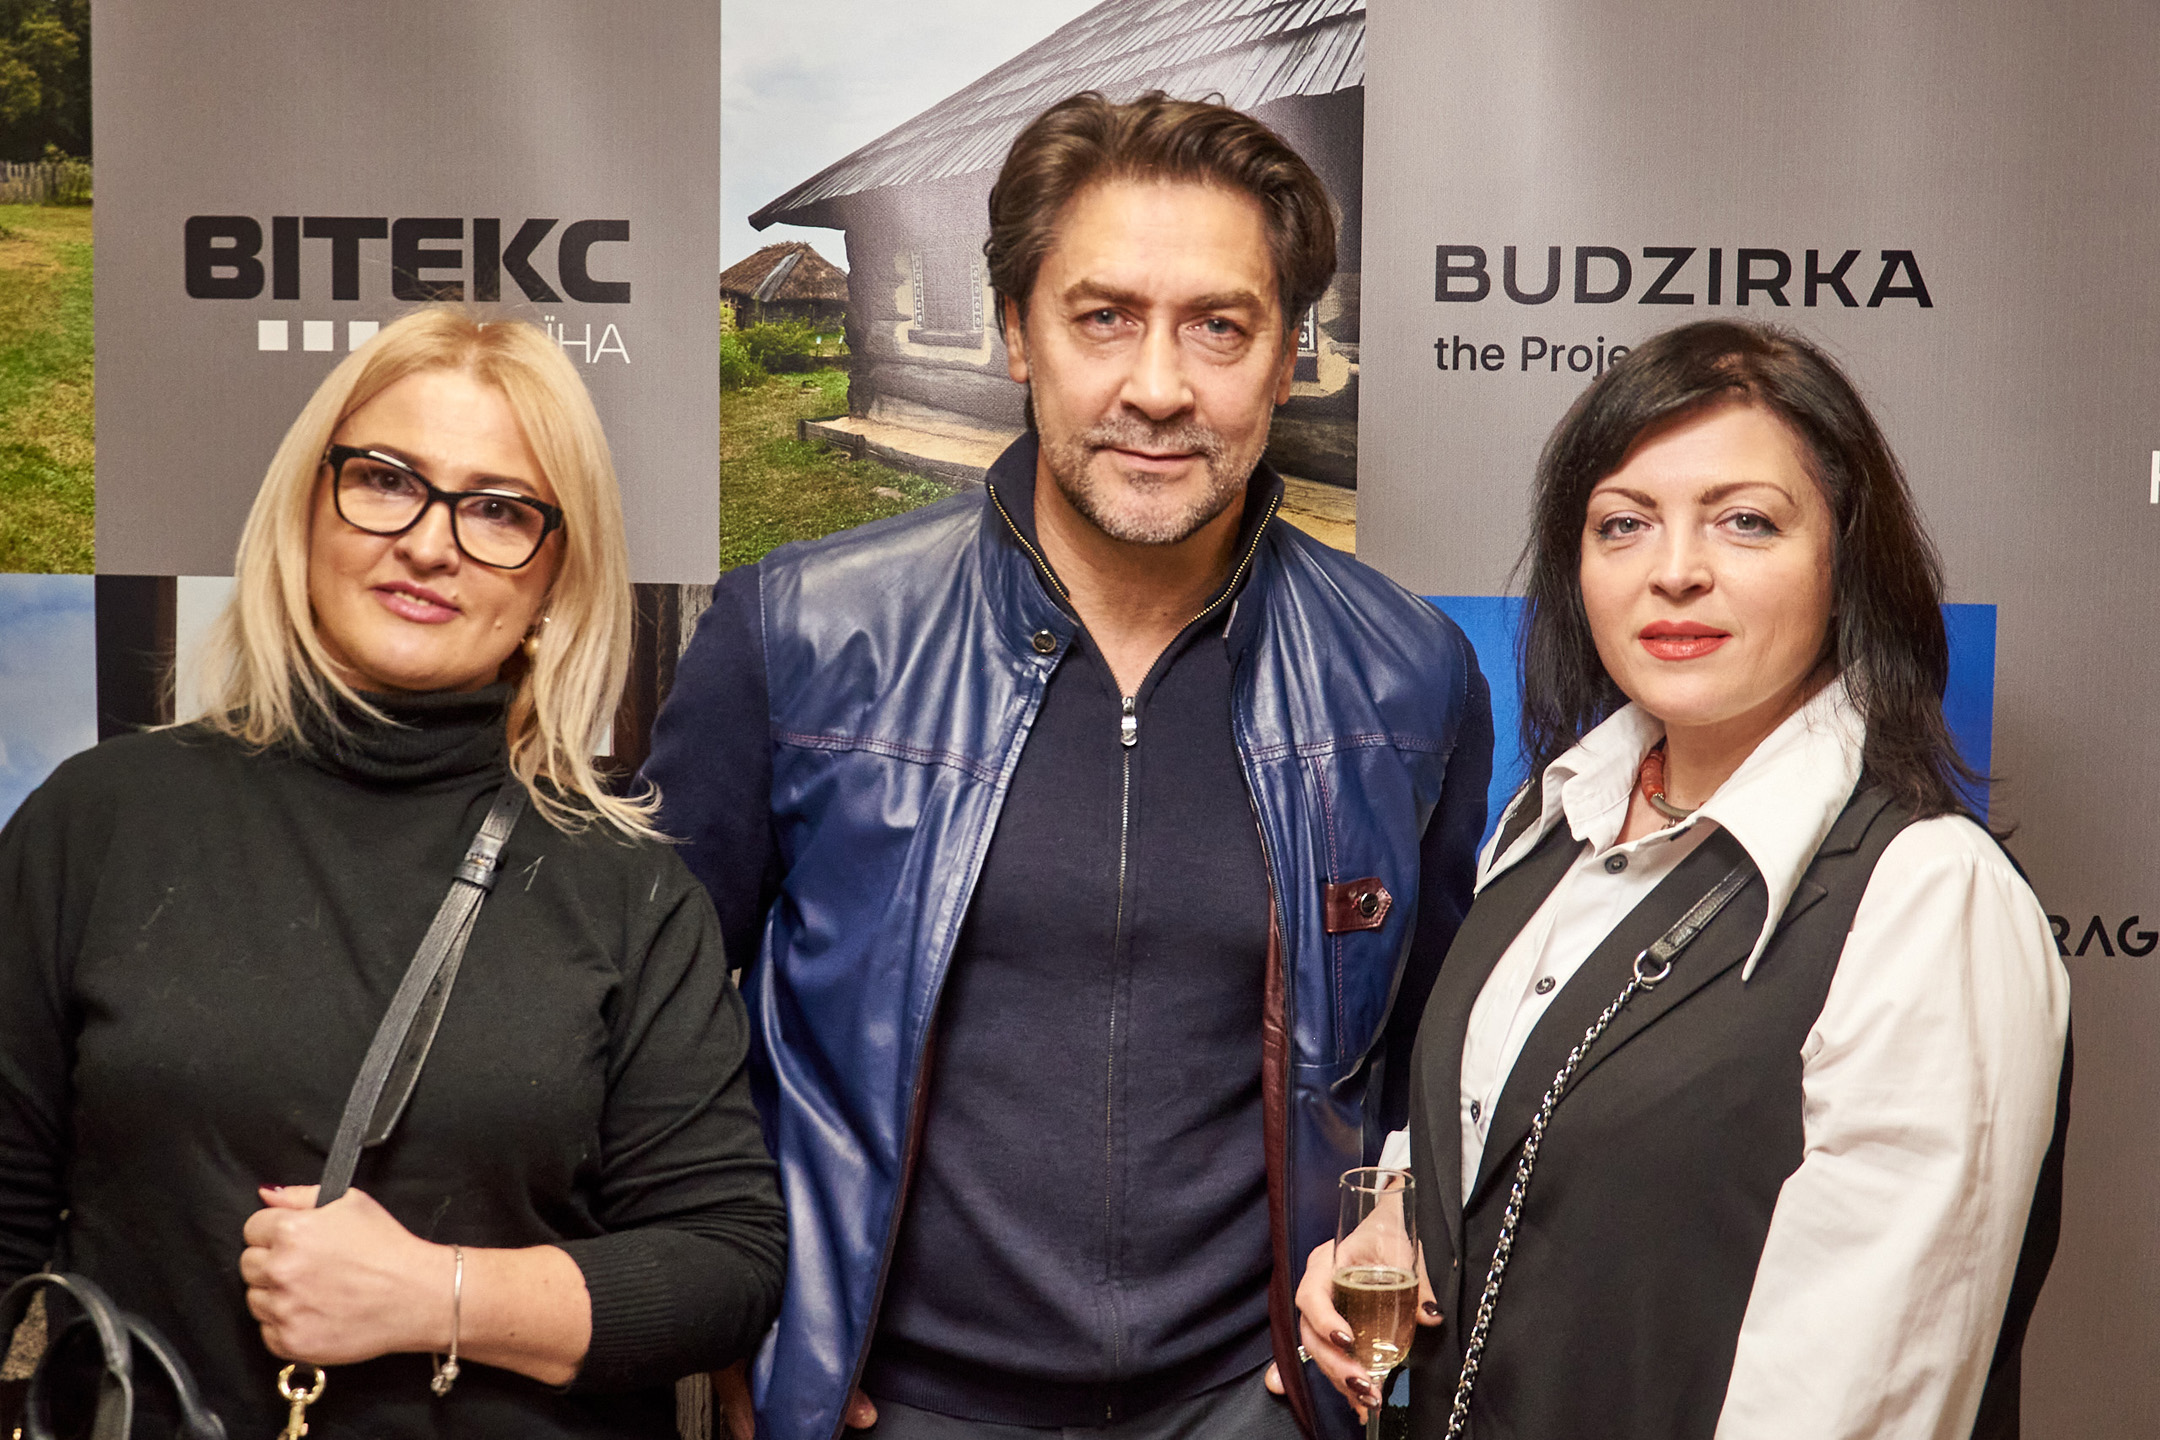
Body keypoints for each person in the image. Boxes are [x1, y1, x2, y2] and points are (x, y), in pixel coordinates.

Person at [643, 92, 1492, 1440]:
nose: (1158, 386)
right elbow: (654, 1035)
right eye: (1103, 317)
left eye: (1220, 326)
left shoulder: (1409, 676)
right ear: (1015, 335)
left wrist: (1377, 1235)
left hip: (1249, 1409)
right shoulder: (797, 636)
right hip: (893, 1408)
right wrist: (744, 1308)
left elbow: (1431, 1066)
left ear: (1288, 358)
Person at [0, 308, 787, 1438]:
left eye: (500, 510)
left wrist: (435, 1294)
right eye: (384, 480)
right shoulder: (98, 822)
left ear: (556, 574)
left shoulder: (626, 885)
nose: (429, 543)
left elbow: (725, 1268)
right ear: (308, 505)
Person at [1292, 319, 2071, 1439]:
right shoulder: (1548, 821)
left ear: (1847, 560)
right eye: (1624, 523)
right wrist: (1395, 1225)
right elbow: (1498, 1133)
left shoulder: (1928, 898)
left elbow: (1850, 1403)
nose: (1674, 571)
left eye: (1745, 521)